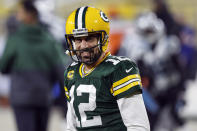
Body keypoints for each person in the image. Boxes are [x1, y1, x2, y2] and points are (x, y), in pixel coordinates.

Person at [64, 6, 150, 131]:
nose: (83, 45)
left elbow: (138, 126)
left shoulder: (119, 69)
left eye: (89, 38)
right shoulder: (71, 73)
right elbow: (71, 126)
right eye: (78, 40)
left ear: (102, 39)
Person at [0, 1, 65, 131]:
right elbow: (60, 71)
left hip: (21, 99)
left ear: (29, 15)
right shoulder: (49, 40)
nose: (17, 16)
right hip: (43, 97)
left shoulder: (15, 39)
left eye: (20, 12)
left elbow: (3, 67)